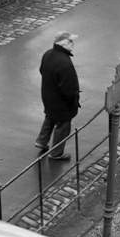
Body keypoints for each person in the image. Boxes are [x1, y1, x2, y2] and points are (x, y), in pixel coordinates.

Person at [35, 31, 81, 160]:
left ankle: (41, 141)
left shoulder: (48, 54)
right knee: (63, 125)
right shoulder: (64, 62)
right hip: (61, 102)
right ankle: (56, 153)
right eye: (71, 41)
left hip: (48, 97)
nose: (74, 44)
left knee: (50, 117)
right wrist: (74, 101)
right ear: (64, 43)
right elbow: (69, 87)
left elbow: (41, 70)